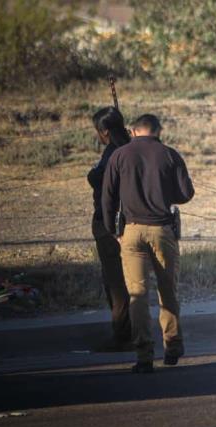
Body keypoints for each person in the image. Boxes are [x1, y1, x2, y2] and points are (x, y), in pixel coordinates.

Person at [102, 114, 194, 373]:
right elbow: (186, 194)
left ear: (133, 131)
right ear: (158, 131)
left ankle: (144, 355)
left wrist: (112, 230)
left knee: (138, 295)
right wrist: (164, 191)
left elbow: (107, 196)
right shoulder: (169, 154)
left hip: (130, 233)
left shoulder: (119, 156)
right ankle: (173, 347)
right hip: (163, 230)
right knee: (168, 291)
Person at [88, 107, 131, 350]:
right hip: (122, 220)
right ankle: (130, 330)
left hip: (110, 224)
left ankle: (123, 335)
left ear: (104, 131)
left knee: (116, 281)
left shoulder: (114, 153)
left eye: (98, 131)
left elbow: (103, 184)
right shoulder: (127, 148)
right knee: (128, 279)